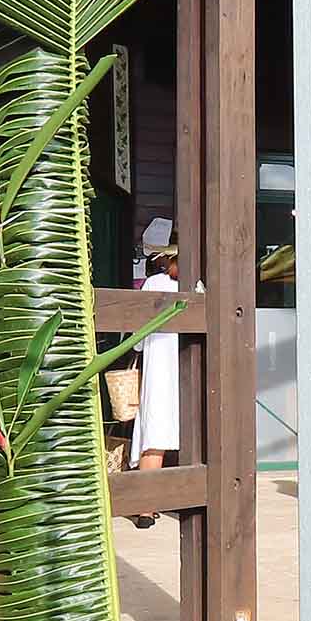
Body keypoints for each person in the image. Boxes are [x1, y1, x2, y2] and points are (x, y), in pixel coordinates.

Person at [125, 219, 183, 528]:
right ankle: (163, 502)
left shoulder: (153, 285)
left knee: (155, 432)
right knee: (175, 432)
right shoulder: (192, 286)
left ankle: (147, 507)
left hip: (162, 367)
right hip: (181, 366)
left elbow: (136, 337)